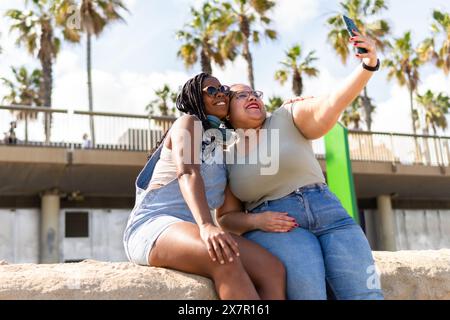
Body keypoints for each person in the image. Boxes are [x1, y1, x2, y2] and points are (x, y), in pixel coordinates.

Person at [217, 31, 384, 300]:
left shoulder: (286, 116)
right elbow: (226, 219)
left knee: (367, 296)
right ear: (226, 112)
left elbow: (330, 103)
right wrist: (257, 219)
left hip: (331, 214)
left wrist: (367, 67)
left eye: (254, 93)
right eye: (240, 96)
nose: (251, 97)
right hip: (278, 225)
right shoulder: (225, 155)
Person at [123, 73, 286, 300]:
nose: (220, 93)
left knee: (271, 268)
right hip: (153, 226)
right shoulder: (188, 123)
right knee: (223, 256)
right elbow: (187, 172)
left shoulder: (223, 148)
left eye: (223, 89)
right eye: (210, 90)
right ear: (195, 99)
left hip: (192, 230)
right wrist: (207, 225)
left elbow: (228, 214)